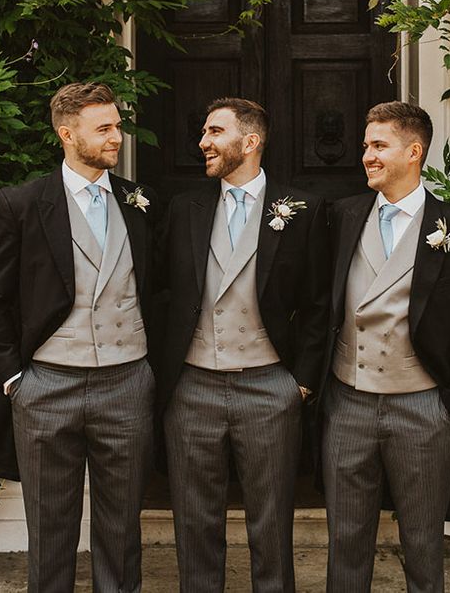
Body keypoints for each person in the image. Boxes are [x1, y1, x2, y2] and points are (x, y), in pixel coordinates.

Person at [0, 83, 157, 593]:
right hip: (47, 386)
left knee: (121, 530)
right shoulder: (23, 204)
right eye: (104, 128)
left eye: (117, 126)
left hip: (126, 383)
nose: (116, 137)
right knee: (50, 529)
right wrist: (16, 379)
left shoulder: (137, 201)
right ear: (67, 133)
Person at [320, 101, 450, 593]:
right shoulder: (343, 215)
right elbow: (320, 305)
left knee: (423, 541)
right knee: (346, 540)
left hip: (423, 407)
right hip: (348, 401)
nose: (367, 156)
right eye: (365, 146)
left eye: (379, 146)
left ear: (414, 152)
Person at [157, 98, 329, 592]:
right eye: (204, 132)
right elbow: (161, 291)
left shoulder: (303, 209)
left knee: (271, 525)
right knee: (194, 524)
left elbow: (319, 305)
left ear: (249, 142)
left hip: (268, 386)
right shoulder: (184, 206)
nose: (202, 143)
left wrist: (300, 384)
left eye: (214, 132)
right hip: (192, 385)